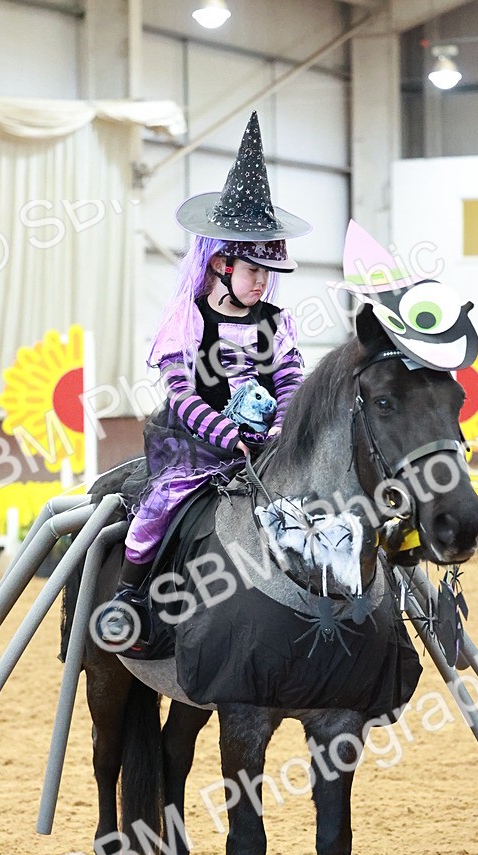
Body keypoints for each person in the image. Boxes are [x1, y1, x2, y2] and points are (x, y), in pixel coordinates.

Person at [105, 112, 311, 647]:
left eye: (268, 272)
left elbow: (289, 381)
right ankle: (129, 596)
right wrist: (227, 434)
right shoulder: (186, 320)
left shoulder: (276, 322)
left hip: (268, 448)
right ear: (220, 263)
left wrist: (280, 426)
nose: (262, 281)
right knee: (160, 504)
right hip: (197, 447)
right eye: (252, 270)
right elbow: (182, 394)